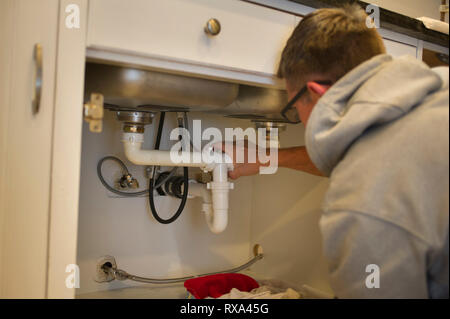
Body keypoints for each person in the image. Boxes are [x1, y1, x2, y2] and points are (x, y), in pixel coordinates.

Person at [216, 5, 449, 298]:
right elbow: (365, 150)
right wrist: (267, 158)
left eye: (293, 107)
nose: (299, 119)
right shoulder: (435, 96)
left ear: (316, 92)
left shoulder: (362, 200)